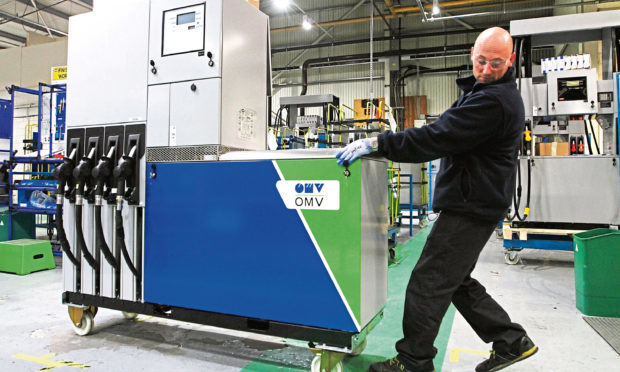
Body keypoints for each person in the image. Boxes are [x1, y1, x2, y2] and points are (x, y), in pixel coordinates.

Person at [336, 27, 538, 372]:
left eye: (496, 63)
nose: (487, 69)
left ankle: (414, 361)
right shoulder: (487, 91)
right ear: (471, 54)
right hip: (477, 202)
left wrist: (378, 143)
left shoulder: (493, 100)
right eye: (480, 61)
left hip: (471, 206)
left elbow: (438, 136)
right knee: (454, 280)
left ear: (511, 61)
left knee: (427, 283)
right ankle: (510, 341)